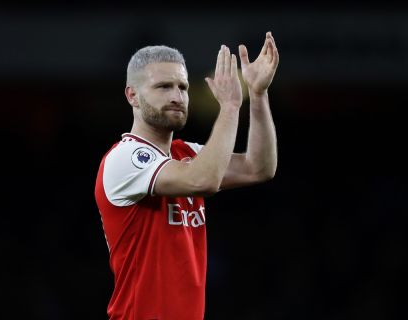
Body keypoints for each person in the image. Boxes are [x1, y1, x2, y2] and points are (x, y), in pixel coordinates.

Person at [94, 31, 279, 320]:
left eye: (182, 87)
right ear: (133, 95)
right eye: (163, 87)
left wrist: (257, 94)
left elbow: (259, 167)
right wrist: (230, 107)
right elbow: (202, 180)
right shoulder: (124, 158)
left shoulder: (186, 154)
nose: (177, 96)